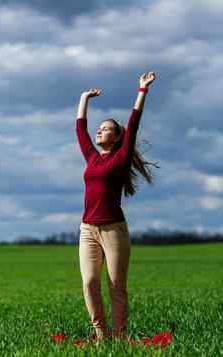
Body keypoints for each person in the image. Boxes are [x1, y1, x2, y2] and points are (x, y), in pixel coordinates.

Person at [75, 72, 158, 341]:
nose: (99, 130)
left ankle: (120, 337)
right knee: (89, 283)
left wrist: (142, 90)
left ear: (116, 137)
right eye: (99, 128)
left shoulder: (119, 159)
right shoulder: (92, 158)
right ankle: (101, 335)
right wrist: (83, 98)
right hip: (87, 229)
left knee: (116, 286)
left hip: (113, 230)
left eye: (106, 128)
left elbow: (133, 124)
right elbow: (80, 129)